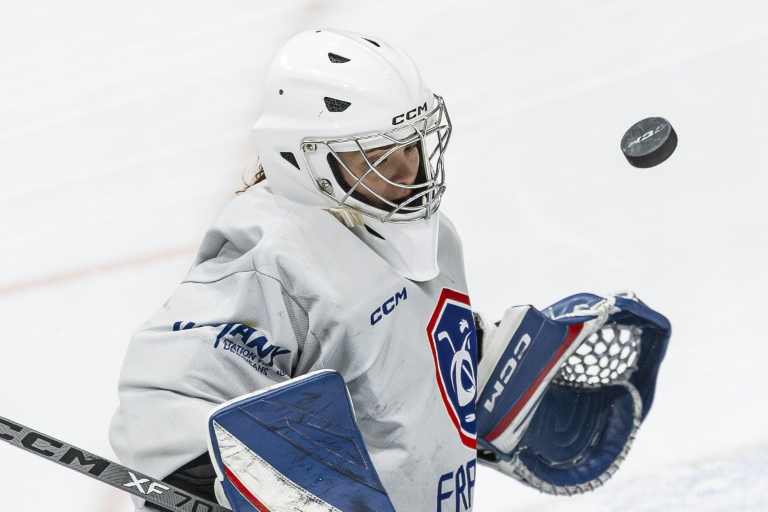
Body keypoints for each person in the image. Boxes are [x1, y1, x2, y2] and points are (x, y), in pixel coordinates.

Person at [110, 29, 670, 512]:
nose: (408, 171)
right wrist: (211, 481)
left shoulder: (433, 236)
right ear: (306, 158)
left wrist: (493, 376)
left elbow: (396, 355)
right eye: (378, 156)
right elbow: (162, 403)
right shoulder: (274, 258)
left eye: (411, 145)